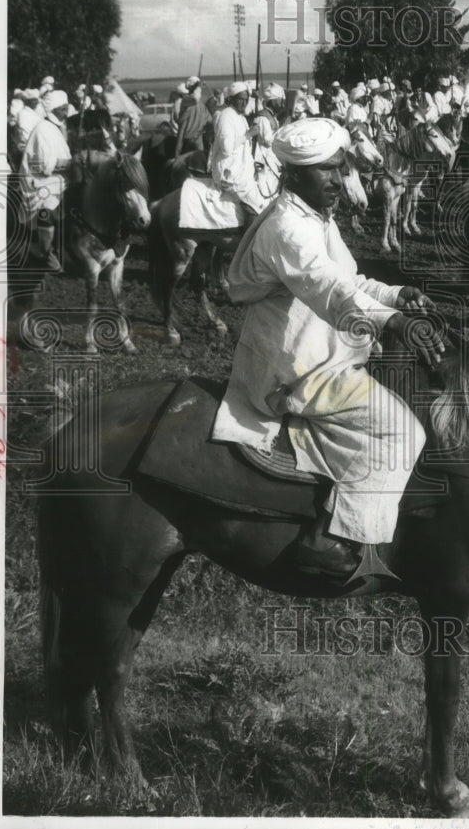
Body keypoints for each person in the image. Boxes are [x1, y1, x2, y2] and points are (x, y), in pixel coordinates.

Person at [212, 118, 443, 576]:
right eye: (327, 171)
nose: (340, 181)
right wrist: (393, 321)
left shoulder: (315, 217)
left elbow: (348, 280)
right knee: (404, 434)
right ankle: (331, 537)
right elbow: (327, 290)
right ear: (294, 174)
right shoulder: (287, 228)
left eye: (341, 169)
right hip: (298, 369)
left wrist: (397, 296)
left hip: (326, 353)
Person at [20, 89, 73, 270]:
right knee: (47, 210)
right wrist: (71, 164)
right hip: (39, 182)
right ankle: (46, 252)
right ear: (54, 109)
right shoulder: (43, 129)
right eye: (63, 108)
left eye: (67, 108)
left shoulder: (56, 128)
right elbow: (44, 166)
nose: (66, 112)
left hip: (58, 178)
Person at [208, 81, 266, 216]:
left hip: (241, 170)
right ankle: (249, 236)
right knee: (256, 208)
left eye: (246, 100)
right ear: (231, 99)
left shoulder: (240, 116)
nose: (244, 103)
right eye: (240, 99)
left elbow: (244, 148)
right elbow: (227, 149)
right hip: (229, 172)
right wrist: (247, 135)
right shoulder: (226, 116)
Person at [175, 77, 210, 156]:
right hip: (187, 142)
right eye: (198, 88)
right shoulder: (186, 100)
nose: (200, 89)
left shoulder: (200, 104)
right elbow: (195, 100)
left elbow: (209, 120)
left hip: (196, 141)